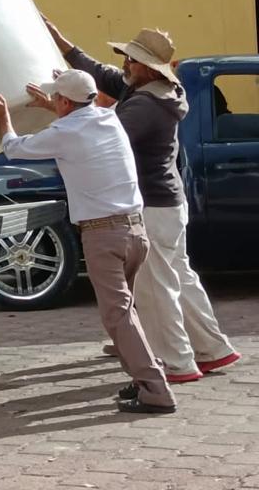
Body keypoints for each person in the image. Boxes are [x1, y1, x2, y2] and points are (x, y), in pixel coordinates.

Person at [43, 20, 241, 382]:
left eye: (131, 60)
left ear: (147, 68)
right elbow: (103, 75)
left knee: (155, 288)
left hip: (151, 205)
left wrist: (62, 110)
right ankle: (213, 349)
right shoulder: (155, 90)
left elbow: (104, 137)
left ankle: (175, 363)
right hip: (166, 202)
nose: (123, 64)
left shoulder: (146, 104)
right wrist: (65, 46)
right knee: (178, 276)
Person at [0, 70, 176, 414]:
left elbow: (13, 148)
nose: (52, 102)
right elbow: (77, 125)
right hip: (136, 233)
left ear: (66, 102)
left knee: (118, 317)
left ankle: (155, 388)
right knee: (125, 314)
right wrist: (55, 107)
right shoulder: (109, 119)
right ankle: (143, 379)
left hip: (103, 235)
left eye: (56, 99)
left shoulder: (64, 132)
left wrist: (2, 115)